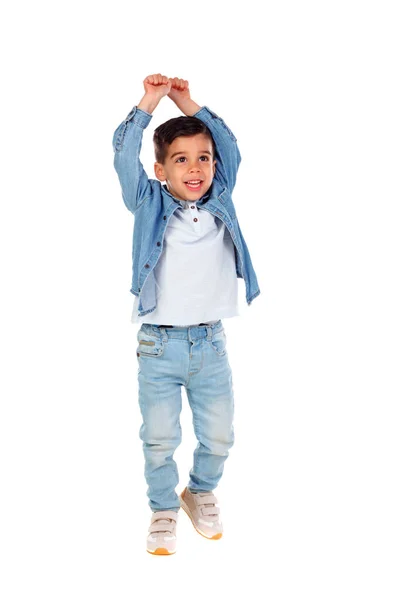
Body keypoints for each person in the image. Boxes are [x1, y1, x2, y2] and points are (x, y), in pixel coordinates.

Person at [112, 73, 261, 555]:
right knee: (159, 437)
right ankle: (162, 508)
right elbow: (122, 155)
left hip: (211, 344)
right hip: (159, 345)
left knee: (220, 433)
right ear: (161, 170)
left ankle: (199, 491)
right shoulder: (148, 201)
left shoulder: (221, 198)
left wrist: (190, 104)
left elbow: (230, 147)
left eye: (204, 158)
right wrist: (150, 103)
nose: (195, 169)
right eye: (181, 160)